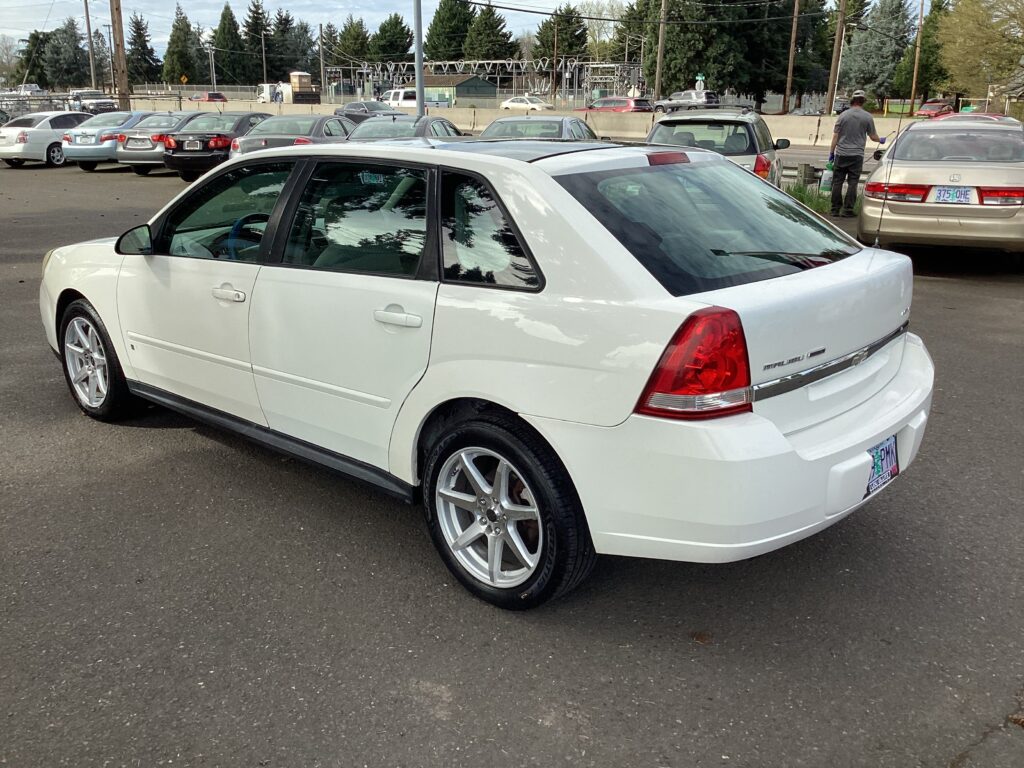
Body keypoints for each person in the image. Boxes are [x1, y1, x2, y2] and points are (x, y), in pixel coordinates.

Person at [829, 90, 885, 217]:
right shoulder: (867, 117)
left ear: (852, 101)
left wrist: (832, 153)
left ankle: (834, 209)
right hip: (856, 156)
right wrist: (880, 140)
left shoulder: (843, 116)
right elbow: (873, 136)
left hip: (841, 154)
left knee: (837, 182)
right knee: (852, 183)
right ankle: (847, 210)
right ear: (863, 101)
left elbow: (835, 136)